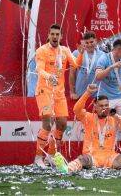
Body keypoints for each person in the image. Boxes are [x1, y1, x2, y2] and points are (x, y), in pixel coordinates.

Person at [54, 84, 121, 173]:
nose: (104, 108)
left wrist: (115, 115)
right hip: (92, 157)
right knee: (82, 160)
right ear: (95, 107)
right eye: (101, 106)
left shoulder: (114, 118)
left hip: (111, 158)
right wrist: (87, 93)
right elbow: (76, 109)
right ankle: (66, 169)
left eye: (106, 105)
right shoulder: (88, 117)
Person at [33, 24, 83, 167]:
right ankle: (38, 158)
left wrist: (81, 53)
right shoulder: (41, 50)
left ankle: (51, 155)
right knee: (47, 124)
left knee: (62, 124)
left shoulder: (65, 50)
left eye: (57, 34)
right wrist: (49, 77)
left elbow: (75, 65)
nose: (55, 37)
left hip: (59, 93)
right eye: (52, 34)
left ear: (61, 36)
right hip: (44, 90)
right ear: (48, 35)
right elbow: (39, 70)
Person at [69, 31, 104, 99]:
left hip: (96, 95)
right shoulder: (76, 53)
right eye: (87, 42)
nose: (89, 45)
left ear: (96, 41)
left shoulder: (102, 55)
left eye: (91, 42)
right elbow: (71, 74)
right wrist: (72, 92)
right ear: (83, 42)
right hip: (79, 93)